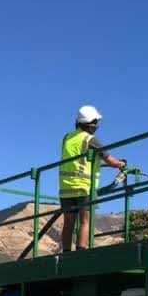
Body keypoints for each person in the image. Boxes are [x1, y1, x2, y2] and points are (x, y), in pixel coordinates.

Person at [58, 105, 127, 251]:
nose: (97, 126)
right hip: (84, 186)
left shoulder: (66, 138)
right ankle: (81, 251)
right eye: (96, 123)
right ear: (91, 123)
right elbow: (109, 160)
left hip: (65, 187)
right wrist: (121, 164)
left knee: (68, 222)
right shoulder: (90, 139)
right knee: (85, 221)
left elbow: (77, 160)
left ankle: (66, 253)